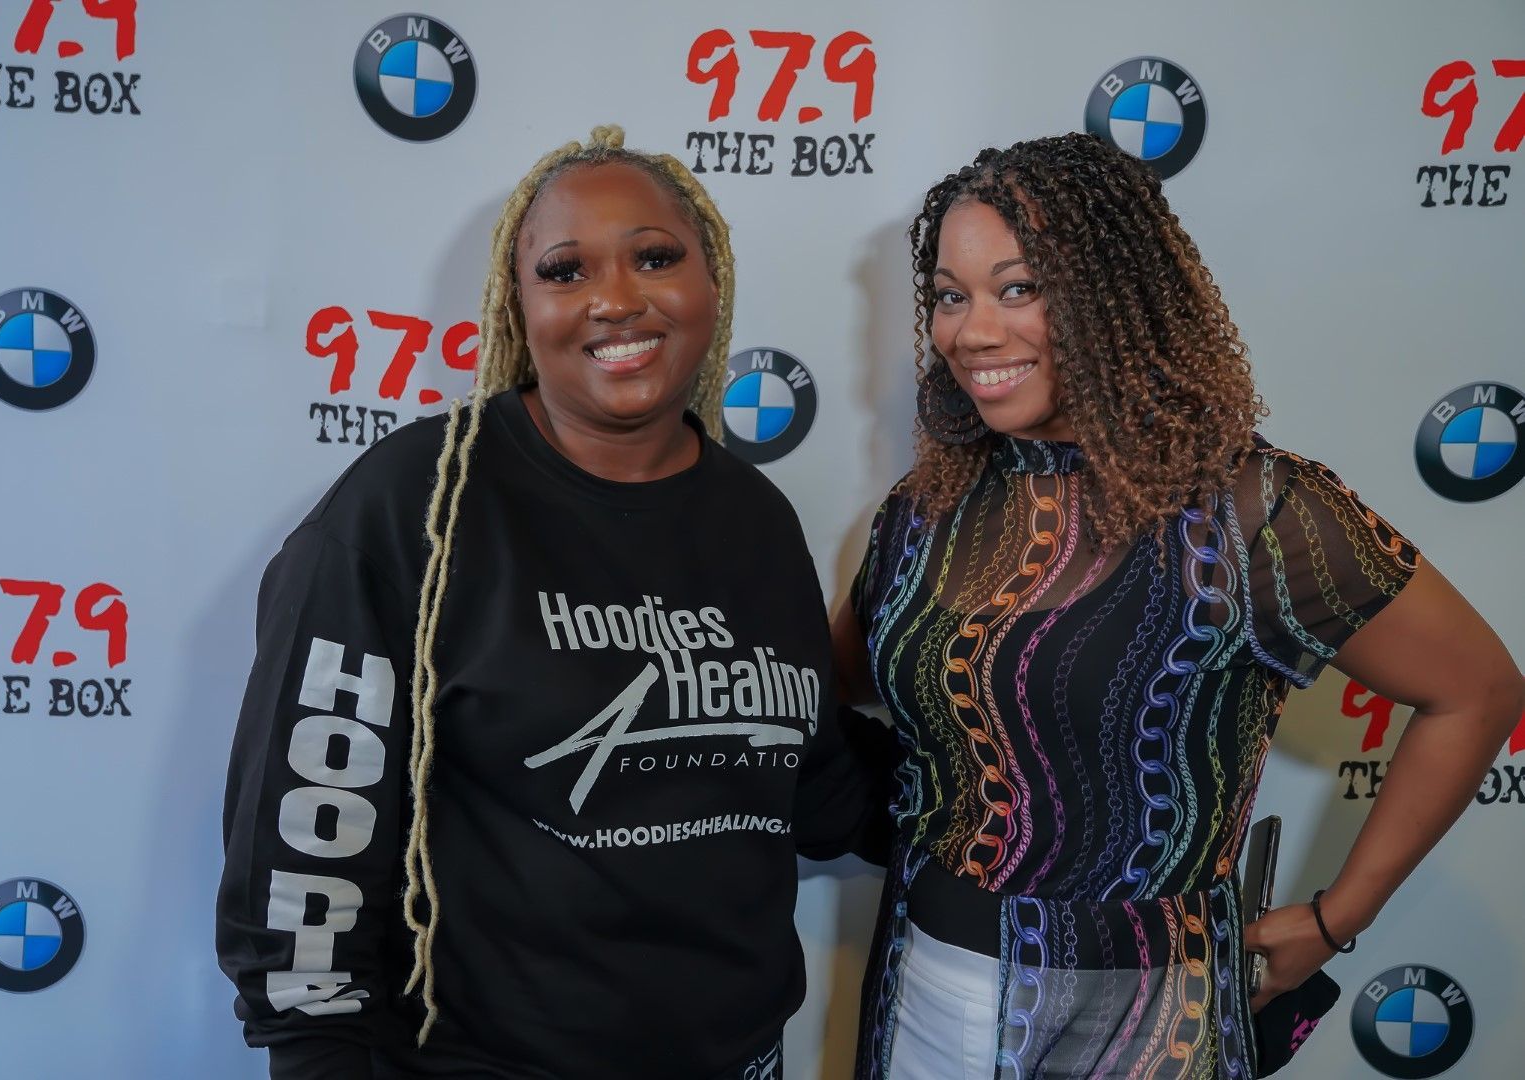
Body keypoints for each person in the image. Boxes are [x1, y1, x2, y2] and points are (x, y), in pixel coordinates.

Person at [833, 132, 1524, 1079]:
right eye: (950, 296)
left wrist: (1338, 917)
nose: (972, 331)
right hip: (922, 989)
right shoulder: (924, 513)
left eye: (1019, 287)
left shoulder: (1253, 512)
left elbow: (1477, 691)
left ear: (1120, 300)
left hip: (1146, 1020)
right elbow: (821, 687)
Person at [217, 125, 887, 1080]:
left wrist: (1021, 800)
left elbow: (811, 778)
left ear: (711, 281)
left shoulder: (755, 516)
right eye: (565, 272)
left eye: (655, 257)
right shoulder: (413, 508)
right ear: (515, 304)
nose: (615, 299)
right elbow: (307, 839)